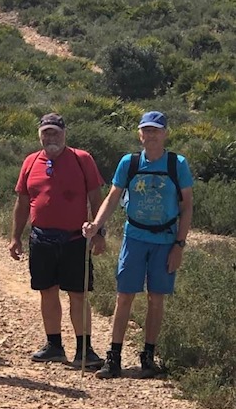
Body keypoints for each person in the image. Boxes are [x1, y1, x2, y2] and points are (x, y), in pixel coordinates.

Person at [83, 111, 193, 379]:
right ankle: (114, 357)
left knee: (156, 298)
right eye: (146, 130)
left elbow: (187, 206)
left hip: (165, 240)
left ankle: (148, 358)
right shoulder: (129, 163)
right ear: (139, 134)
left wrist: (179, 245)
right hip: (135, 237)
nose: (151, 135)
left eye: (156, 130)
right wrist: (96, 225)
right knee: (124, 296)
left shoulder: (177, 164)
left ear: (165, 133)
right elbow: (112, 198)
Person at [9, 113, 106, 368]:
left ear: (64, 134)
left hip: (75, 239)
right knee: (47, 292)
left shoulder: (82, 159)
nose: (51, 137)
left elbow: (96, 199)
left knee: (78, 294)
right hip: (41, 239)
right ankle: (54, 346)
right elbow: (22, 202)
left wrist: (99, 233)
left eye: (55, 132)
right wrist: (15, 237)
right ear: (40, 135)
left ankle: (85, 350)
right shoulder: (31, 161)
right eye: (46, 133)